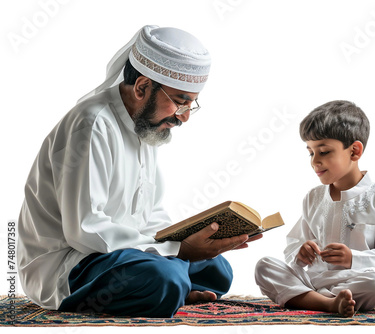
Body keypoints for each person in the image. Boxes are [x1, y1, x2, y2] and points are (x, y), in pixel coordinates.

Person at [17, 25, 260, 318]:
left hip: (121, 256)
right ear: (143, 87)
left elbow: (151, 214)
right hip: (70, 264)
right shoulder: (92, 124)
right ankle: (172, 287)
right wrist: (179, 251)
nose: (183, 116)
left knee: (217, 269)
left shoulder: (145, 125)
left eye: (190, 104)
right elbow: (85, 230)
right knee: (164, 276)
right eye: (180, 101)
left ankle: (171, 289)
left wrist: (194, 238)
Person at [254, 100, 375, 317]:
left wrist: (354, 259)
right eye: (311, 152)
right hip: (313, 281)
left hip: (357, 281)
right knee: (264, 266)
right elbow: (294, 244)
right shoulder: (314, 198)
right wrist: (301, 253)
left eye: (324, 151)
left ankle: (312, 300)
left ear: (354, 151)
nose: (314, 161)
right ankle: (329, 304)